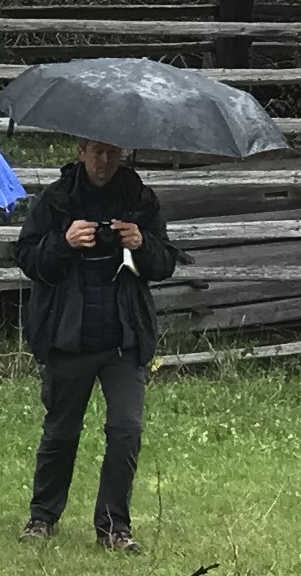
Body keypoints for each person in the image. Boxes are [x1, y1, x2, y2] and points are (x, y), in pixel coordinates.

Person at [13, 139, 179, 550]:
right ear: (81, 152)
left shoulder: (139, 199)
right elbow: (28, 258)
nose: (104, 161)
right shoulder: (56, 200)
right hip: (68, 334)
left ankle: (114, 528)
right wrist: (63, 242)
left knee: (126, 430)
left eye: (112, 153)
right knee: (61, 432)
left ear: (121, 154)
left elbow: (166, 263)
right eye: (96, 152)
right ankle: (42, 517)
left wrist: (142, 243)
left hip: (123, 336)